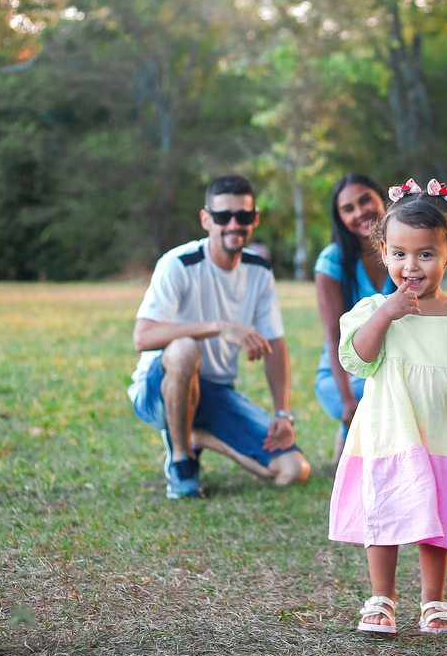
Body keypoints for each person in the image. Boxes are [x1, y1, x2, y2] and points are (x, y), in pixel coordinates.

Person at [328, 178, 447, 635]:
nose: (412, 266)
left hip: (442, 434)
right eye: (401, 254)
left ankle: (434, 601)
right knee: (384, 514)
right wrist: (387, 314)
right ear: (383, 252)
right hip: (389, 434)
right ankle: (381, 598)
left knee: (435, 522)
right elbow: (357, 358)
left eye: (426, 254)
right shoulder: (373, 308)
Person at [128, 174, 312, 498]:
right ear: (205, 220)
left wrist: (283, 413)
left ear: (254, 218)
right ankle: (182, 462)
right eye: (222, 216)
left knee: (294, 470)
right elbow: (142, 337)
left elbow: (275, 344)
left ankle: (193, 436)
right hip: (158, 392)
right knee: (185, 350)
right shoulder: (178, 264)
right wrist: (218, 326)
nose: (232, 225)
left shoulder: (260, 271)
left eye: (242, 216)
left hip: (215, 395)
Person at [313, 174, 396, 465]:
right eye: (347, 208)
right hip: (343, 377)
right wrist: (347, 400)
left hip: (393, 367)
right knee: (387, 393)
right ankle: (350, 443)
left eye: (365, 201)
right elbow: (334, 338)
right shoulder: (332, 262)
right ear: (340, 218)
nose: (359, 212)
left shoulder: (404, 252)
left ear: (381, 199)